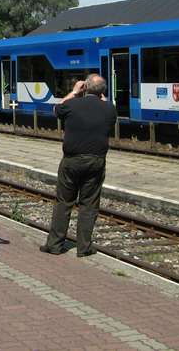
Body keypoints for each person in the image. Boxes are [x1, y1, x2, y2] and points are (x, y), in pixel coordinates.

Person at [40, 74, 117, 257]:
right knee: (89, 204)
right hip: (96, 161)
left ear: (85, 88)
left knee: (64, 202)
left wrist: (74, 91)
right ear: (103, 91)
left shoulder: (72, 104)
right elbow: (106, 104)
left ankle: (55, 245)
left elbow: (56, 109)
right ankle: (84, 247)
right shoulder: (109, 109)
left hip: (72, 161)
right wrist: (99, 94)